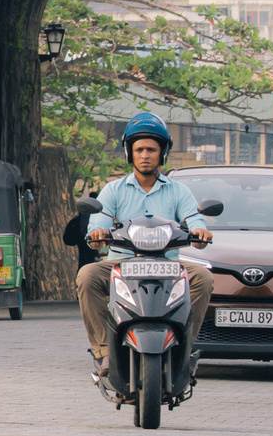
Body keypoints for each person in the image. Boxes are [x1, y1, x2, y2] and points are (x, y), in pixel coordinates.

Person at [78, 112, 215, 384]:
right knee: (87, 275)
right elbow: (97, 228)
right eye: (139, 149)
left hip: (168, 265)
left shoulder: (179, 191)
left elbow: (195, 222)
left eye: (151, 150)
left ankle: (184, 349)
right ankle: (105, 351)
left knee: (203, 277)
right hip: (121, 264)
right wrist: (98, 234)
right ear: (129, 153)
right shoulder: (113, 190)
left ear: (162, 153)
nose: (145, 155)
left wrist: (200, 232)